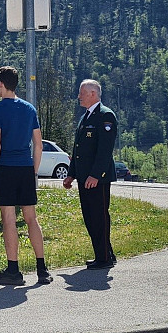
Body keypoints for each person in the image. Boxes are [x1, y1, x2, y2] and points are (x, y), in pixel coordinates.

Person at [0, 67, 52, 285]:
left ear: (1, 84)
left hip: (5, 167)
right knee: (31, 218)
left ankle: (14, 270)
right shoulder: (29, 108)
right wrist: (33, 170)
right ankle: (42, 270)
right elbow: (39, 145)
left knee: (9, 219)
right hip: (25, 168)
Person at [63, 79, 118, 270]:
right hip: (85, 178)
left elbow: (105, 150)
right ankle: (105, 253)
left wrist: (96, 175)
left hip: (97, 179)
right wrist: (71, 174)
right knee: (90, 217)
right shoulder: (86, 116)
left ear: (93, 94)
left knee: (99, 217)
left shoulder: (105, 116)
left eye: (82, 93)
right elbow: (78, 149)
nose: (79, 96)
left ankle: (103, 259)